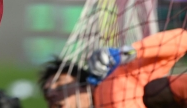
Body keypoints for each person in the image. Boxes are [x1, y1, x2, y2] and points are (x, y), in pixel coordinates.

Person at [39, 28, 187, 108]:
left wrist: (127, 53)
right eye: (47, 94)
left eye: (59, 86)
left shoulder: (118, 77)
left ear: (85, 84)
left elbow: (181, 39)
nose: (51, 94)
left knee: (155, 90)